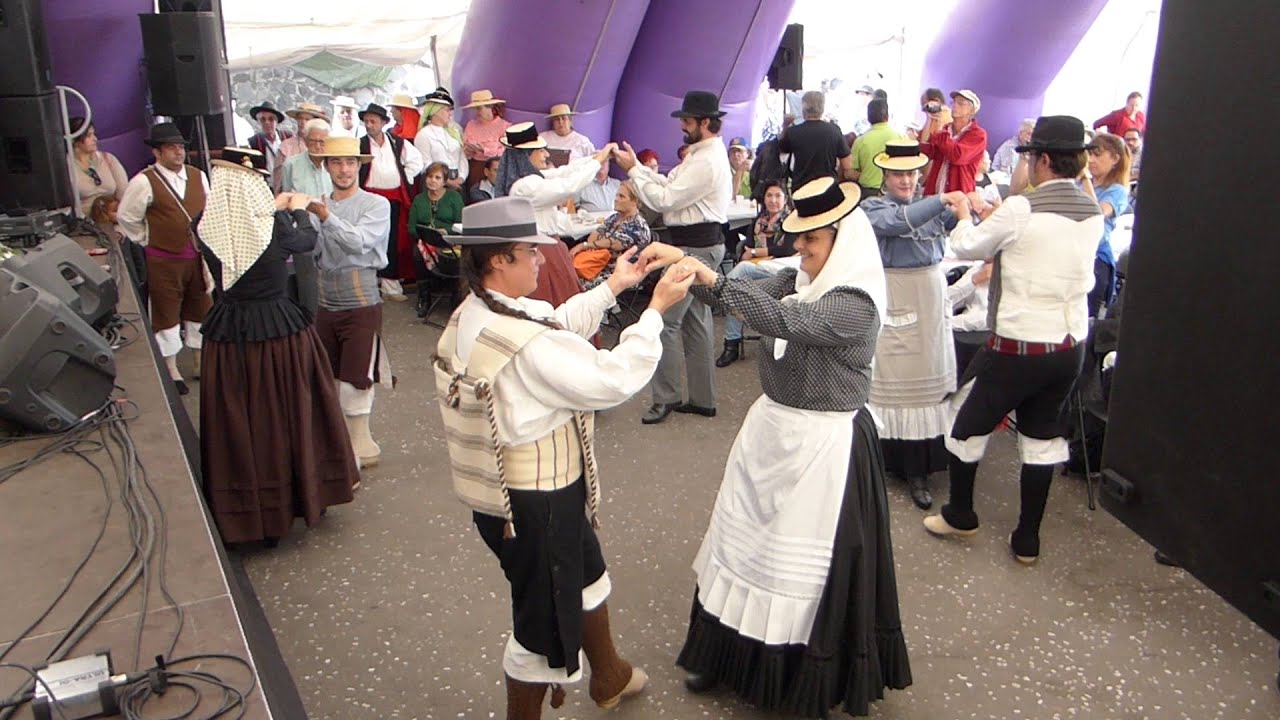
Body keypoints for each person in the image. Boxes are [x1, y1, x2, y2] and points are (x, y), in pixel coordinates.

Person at [642, 177, 911, 717]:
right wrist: (686, 264)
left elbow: (787, 320)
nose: (799, 248)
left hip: (825, 449)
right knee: (742, 547)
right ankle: (723, 654)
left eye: (812, 239)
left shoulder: (854, 305)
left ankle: (793, 676)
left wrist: (706, 272)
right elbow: (747, 292)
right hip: (773, 434)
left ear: (844, 239)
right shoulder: (800, 279)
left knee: (800, 568)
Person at [433, 196, 695, 719]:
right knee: (541, 627)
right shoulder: (520, 339)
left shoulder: (481, 308)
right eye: (530, 251)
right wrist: (653, 312)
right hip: (537, 502)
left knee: (586, 573)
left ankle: (609, 674)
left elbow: (550, 323)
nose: (541, 259)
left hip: (524, 495)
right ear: (498, 261)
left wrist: (614, 285)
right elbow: (610, 379)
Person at [924, 116, 1102, 564]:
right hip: (1068, 348)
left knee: (963, 424)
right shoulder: (1092, 211)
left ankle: (961, 515)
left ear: (1042, 159)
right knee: (1041, 439)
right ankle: (1027, 540)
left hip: (1019, 346)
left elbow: (967, 247)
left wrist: (965, 215)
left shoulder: (1024, 209)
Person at [194, 147, 360, 546]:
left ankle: (247, 505)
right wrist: (297, 208)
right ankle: (300, 491)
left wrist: (276, 207)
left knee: (241, 418)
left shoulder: (207, 227)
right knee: (288, 413)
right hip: (276, 334)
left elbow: (238, 229)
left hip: (230, 332)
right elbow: (303, 243)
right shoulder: (272, 227)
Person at [614, 90, 733, 425]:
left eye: (687, 120)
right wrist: (637, 168)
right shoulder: (701, 155)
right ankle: (702, 399)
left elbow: (665, 199)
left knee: (664, 320)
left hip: (693, 247)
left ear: (706, 122)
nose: (682, 124)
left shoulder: (706, 160)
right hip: (698, 245)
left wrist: (635, 172)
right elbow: (668, 184)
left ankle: (666, 397)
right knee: (696, 322)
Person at [861, 140, 967, 510]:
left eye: (910, 173)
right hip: (896, 294)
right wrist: (943, 200)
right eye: (898, 174)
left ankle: (922, 468)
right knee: (895, 382)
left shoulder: (931, 207)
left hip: (931, 297)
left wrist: (973, 206)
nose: (905, 180)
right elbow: (893, 223)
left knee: (928, 384)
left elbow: (962, 226)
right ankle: (889, 463)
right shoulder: (872, 207)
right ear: (885, 176)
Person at [308, 136, 392, 470]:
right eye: (337, 162)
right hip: (325, 297)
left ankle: (360, 441)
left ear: (359, 166)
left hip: (361, 298)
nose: (344, 170)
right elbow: (310, 250)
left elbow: (359, 243)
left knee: (357, 371)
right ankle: (340, 440)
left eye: (350, 163)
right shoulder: (317, 204)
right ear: (326, 166)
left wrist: (326, 217)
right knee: (328, 371)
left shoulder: (376, 204)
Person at [117, 122, 211, 396]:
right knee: (166, 314)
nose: (178, 152)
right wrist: (148, 238)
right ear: (157, 152)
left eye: (180, 146)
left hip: (196, 257)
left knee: (200, 309)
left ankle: (199, 363)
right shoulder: (144, 181)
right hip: (164, 260)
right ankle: (171, 369)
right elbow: (126, 217)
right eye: (172, 147)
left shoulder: (198, 176)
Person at [714, 180, 793, 367]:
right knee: (738, 290)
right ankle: (731, 344)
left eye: (777, 196)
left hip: (781, 272)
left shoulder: (791, 221)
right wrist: (751, 253)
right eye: (769, 196)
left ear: (785, 199)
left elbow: (788, 250)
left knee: (739, 274)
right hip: (757, 270)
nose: (773, 200)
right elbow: (747, 245)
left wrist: (756, 253)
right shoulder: (759, 221)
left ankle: (718, 291)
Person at [495, 122, 615, 237]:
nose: (546, 155)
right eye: (541, 150)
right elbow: (569, 186)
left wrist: (598, 158)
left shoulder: (529, 180)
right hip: (542, 246)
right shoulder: (525, 186)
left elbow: (564, 172)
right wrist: (598, 160)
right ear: (526, 156)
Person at [359, 103, 425, 302]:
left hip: (394, 198)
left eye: (373, 121)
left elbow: (416, 161)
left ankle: (390, 286)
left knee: (392, 241)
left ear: (383, 123)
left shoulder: (397, 143)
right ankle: (370, 284)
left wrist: (405, 176)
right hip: (368, 198)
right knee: (369, 240)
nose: (369, 125)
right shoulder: (359, 144)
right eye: (366, 121)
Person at [1080, 132, 1131, 317]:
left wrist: (1085, 180)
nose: (1091, 160)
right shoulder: (1078, 184)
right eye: (1089, 155)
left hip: (1096, 258)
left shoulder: (1117, 191)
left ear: (1115, 159)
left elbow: (1097, 214)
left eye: (1098, 155)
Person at [408, 162, 465, 319]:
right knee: (418, 253)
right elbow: (411, 227)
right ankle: (424, 298)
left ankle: (455, 298)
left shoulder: (454, 197)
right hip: (425, 242)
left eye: (437, 177)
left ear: (444, 180)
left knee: (454, 256)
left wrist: (445, 231)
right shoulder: (419, 199)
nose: (432, 180)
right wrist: (426, 235)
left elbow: (461, 224)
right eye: (430, 176)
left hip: (449, 241)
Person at [570, 179, 650, 290]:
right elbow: (594, 235)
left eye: (621, 197)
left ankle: (611, 306)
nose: (616, 199)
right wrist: (596, 243)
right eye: (616, 195)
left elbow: (614, 243)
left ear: (634, 202)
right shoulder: (614, 218)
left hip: (622, 271)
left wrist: (585, 245)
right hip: (600, 265)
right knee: (568, 276)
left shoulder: (638, 225)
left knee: (579, 285)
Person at [919, 89, 987, 195]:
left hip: (959, 198)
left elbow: (957, 156)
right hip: (934, 195)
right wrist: (929, 120)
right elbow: (927, 151)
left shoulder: (978, 135)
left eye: (960, 103)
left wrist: (940, 129)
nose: (955, 105)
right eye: (953, 102)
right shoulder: (945, 130)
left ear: (972, 110)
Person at [779, 90, 852, 188]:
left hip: (802, 188)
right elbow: (847, 164)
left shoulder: (793, 132)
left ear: (803, 109)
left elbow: (781, 152)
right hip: (827, 187)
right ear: (822, 109)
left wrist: (785, 126)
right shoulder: (834, 130)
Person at [69, 117, 129, 216]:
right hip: (85, 223)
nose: (95, 139)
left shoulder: (109, 159)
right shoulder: (67, 167)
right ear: (75, 141)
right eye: (89, 135)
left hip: (113, 217)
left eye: (94, 134)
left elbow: (124, 194)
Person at [414, 88, 468, 191]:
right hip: (435, 182)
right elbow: (426, 163)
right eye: (447, 110)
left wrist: (461, 178)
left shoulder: (454, 132)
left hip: (457, 180)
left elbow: (462, 157)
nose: (450, 114)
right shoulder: (423, 135)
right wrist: (447, 182)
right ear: (436, 111)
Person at [850, 99, 902, 198]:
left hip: (868, 193)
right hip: (894, 191)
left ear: (869, 118)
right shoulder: (901, 137)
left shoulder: (861, 140)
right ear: (887, 116)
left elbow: (851, 172)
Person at [460, 89, 511, 189]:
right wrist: (469, 150)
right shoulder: (471, 125)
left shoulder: (504, 126)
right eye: (475, 109)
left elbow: (505, 150)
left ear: (490, 107)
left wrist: (484, 150)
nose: (477, 112)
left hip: (497, 168)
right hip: (476, 168)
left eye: (479, 108)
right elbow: (464, 148)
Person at [247, 100, 292, 192]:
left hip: (288, 187)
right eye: (263, 119)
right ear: (258, 122)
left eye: (271, 119)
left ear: (276, 121)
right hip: (266, 188)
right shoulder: (254, 142)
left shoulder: (288, 137)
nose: (267, 122)